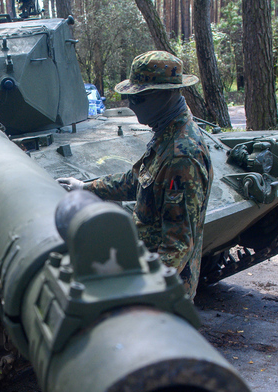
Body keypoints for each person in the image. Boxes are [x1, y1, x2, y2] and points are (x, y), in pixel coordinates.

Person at [58, 51, 213, 299]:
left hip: (163, 291)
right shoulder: (167, 133)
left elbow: (177, 246)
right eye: (128, 97)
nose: (129, 105)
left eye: (137, 98)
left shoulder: (181, 155)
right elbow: (137, 180)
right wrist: (85, 187)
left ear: (165, 94)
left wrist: (142, 293)